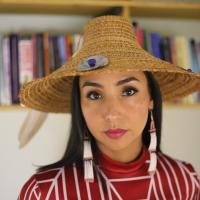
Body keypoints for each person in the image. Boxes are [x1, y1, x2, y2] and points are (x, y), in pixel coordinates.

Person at [18, 15, 200, 199]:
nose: (112, 114)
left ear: (151, 98)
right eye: (95, 95)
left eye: (128, 91)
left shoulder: (186, 181)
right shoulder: (45, 191)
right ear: (79, 104)